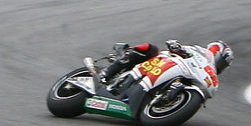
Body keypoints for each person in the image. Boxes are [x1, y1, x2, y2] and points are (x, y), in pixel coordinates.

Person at [99, 39, 234, 91]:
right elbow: (177, 47)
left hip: (178, 75)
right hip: (162, 61)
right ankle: (109, 71)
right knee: (151, 48)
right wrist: (177, 47)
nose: (222, 66)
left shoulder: (207, 75)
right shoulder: (199, 51)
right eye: (223, 62)